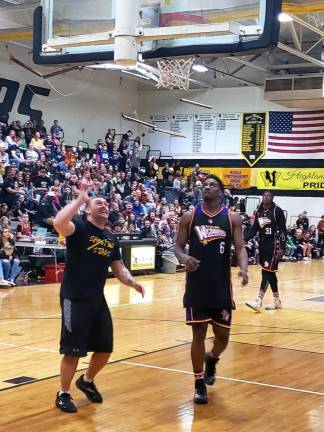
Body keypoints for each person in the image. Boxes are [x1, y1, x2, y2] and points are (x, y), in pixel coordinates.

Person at [53, 175, 145, 413]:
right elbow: (59, 223)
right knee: (72, 350)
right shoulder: (80, 228)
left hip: (97, 299)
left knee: (105, 348)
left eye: (106, 203)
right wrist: (80, 198)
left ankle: (86, 381)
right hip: (74, 297)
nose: (104, 205)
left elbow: (119, 268)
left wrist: (131, 282)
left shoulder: (110, 238)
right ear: (88, 211)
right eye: (98, 203)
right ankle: (63, 393)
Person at [175, 175, 248, 405]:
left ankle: (212, 358)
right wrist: (185, 257)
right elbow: (177, 246)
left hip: (221, 287)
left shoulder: (231, 218)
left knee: (223, 337)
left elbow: (241, 248)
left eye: (212, 184)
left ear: (221, 191)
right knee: (198, 334)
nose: (207, 187)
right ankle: (198, 383)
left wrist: (244, 269)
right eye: (204, 184)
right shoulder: (190, 216)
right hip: (197, 285)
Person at [245, 191, 287, 312]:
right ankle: (277, 300)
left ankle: (258, 301)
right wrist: (244, 239)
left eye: (268, 195)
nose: (265, 197)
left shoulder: (277, 211)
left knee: (267, 272)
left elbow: (284, 230)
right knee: (270, 272)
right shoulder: (258, 212)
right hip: (263, 244)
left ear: (272, 198)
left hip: (274, 244)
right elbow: (254, 229)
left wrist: (283, 248)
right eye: (264, 195)